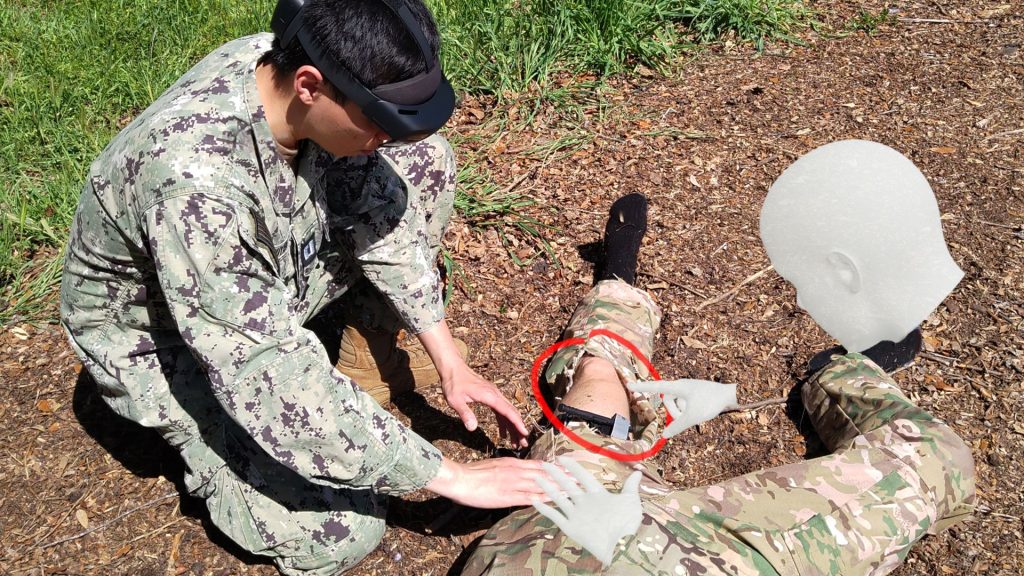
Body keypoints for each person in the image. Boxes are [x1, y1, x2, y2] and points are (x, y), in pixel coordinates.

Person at [59, 1, 548, 574]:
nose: (385, 138)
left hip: (237, 275)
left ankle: (367, 356)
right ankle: (212, 451)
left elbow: (378, 202)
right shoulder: (196, 186)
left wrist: (449, 361)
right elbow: (263, 368)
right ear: (311, 86)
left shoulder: (283, 67)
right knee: (338, 532)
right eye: (377, 123)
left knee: (421, 164)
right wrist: (452, 477)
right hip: (161, 337)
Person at [462, 185, 975, 574]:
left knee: (595, 390)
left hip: (556, 549)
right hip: (718, 562)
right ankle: (841, 376)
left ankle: (617, 284)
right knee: (934, 460)